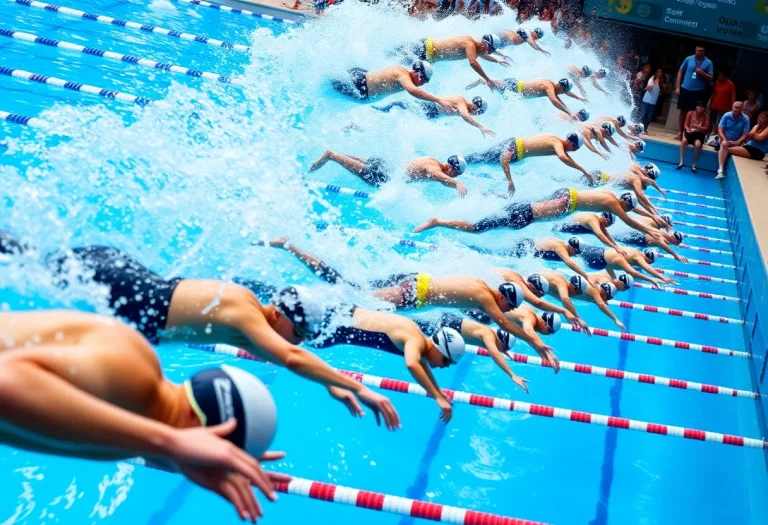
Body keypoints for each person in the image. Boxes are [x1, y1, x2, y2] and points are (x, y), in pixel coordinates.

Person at [0, 232, 401, 430]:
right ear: (281, 315)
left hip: (124, 278)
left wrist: (329, 384)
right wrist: (363, 388)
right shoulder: (246, 311)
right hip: (118, 283)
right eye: (300, 332)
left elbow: (290, 357)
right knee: (24, 262)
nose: (298, 341)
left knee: (28, 261)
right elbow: (292, 356)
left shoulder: (254, 323)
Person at [0, 310, 285, 523]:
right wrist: (170, 442)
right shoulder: (134, 373)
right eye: (216, 456)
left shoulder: (132, 427)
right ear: (199, 427)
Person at [258, 238, 558, 365]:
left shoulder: (482, 284)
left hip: (412, 285)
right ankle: (290, 254)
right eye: (510, 306)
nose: (505, 312)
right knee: (346, 289)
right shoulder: (484, 297)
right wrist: (537, 345)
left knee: (350, 289)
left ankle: (293, 280)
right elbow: (503, 323)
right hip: (409, 293)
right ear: (505, 298)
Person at [414, 189, 663, 239]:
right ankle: (439, 222)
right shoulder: (612, 205)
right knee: (478, 228)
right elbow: (630, 219)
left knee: (484, 224)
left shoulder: (608, 196)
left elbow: (632, 210)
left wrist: (653, 217)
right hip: (524, 214)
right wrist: (651, 228)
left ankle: (489, 195)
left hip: (526, 210)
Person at [413, 312, 532, 391]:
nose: (504, 351)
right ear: (501, 342)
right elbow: (495, 354)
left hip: (449, 323)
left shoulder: (489, 334)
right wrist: (512, 375)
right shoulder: (488, 335)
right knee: (414, 325)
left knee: (416, 323)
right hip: (446, 325)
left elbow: (496, 349)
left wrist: (502, 350)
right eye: (505, 348)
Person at [462, 133, 590, 195]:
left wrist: (583, 170)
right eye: (574, 148)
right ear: (570, 142)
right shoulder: (557, 144)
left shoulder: (554, 138)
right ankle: (458, 161)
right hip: (514, 149)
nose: (573, 151)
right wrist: (510, 181)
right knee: (482, 158)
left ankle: (461, 161)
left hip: (514, 145)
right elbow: (562, 157)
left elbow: (566, 157)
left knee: (482, 158)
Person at [471, 236, 601, 289]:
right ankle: (474, 250)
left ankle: (477, 249)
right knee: (495, 254)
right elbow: (569, 263)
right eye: (576, 252)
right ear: (572, 248)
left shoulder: (562, 244)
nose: (575, 255)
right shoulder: (561, 248)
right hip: (524, 249)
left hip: (527, 247)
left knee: (497, 253)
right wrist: (586, 276)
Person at [331, 61, 457, 113]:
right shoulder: (402, 75)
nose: (423, 84)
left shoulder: (402, 72)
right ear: (419, 74)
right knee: (328, 83)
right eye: (424, 81)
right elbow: (413, 91)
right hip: (359, 85)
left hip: (361, 79)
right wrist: (439, 100)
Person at [396, 34, 508, 91]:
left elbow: (483, 55)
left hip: (426, 53)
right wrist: (487, 79)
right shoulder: (470, 45)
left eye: (491, 51)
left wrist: (497, 60)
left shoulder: (478, 48)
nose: (488, 52)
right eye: (489, 49)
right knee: (396, 57)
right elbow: (473, 62)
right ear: (484, 43)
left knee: (396, 58)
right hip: (424, 50)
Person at [535, 271, 627, 332]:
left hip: (544, 288)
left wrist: (569, 315)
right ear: (604, 293)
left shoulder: (595, 296)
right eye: (608, 298)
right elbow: (602, 305)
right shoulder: (595, 290)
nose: (607, 301)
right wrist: (616, 319)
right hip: (537, 282)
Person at [373, 95, 494, 136]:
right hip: (430, 108)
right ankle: (383, 110)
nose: (476, 114)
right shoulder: (461, 102)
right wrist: (480, 126)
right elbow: (464, 115)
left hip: (432, 113)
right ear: (475, 106)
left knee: (402, 104)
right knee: (400, 103)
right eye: (477, 112)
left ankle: (385, 113)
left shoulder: (465, 106)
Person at [467, 77, 585, 117]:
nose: (563, 94)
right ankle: (480, 80)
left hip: (516, 90)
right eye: (564, 92)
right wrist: (569, 112)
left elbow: (559, 98)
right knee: (489, 83)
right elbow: (554, 100)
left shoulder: (553, 87)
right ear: (562, 88)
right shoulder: (549, 87)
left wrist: (578, 98)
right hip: (513, 87)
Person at [576, 244, 675, 287]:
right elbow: (644, 269)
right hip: (597, 259)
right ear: (649, 260)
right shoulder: (638, 257)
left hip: (599, 252)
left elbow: (610, 262)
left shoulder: (634, 251)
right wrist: (656, 279)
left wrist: (614, 278)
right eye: (649, 262)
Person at [675, 45, 713, 140]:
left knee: (693, 113)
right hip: (685, 88)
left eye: (701, 51)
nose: (699, 52)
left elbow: (711, 77)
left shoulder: (708, 62)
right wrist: (677, 86)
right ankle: (680, 132)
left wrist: (701, 72)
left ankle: (688, 132)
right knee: (683, 111)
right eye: (697, 50)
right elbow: (680, 71)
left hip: (698, 91)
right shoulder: (689, 59)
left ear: (704, 52)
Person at [552, 211, 626, 255]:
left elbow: (607, 237)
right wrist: (615, 247)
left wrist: (618, 248)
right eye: (609, 223)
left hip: (566, 232)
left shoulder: (600, 225)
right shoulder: (593, 220)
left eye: (610, 225)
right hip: (558, 229)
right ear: (603, 218)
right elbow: (600, 235)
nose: (608, 226)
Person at [309, 150, 393, 187]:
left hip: (385, 169)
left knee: (347, 158)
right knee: (332, 155)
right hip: (380, 177)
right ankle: (309, 171)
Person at [716, 101, 752, 179]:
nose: (735, 109)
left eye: (738, 108)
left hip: (737, 141)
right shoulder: (726, 115)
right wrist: (725, 139)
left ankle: (721, 170)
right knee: (724, 144)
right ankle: (721, 169)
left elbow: (745, 134)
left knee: (725, 147)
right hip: (725, 139)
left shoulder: (746, 118)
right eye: (734, 107)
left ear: (742, 109)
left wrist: (737, 142)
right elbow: (720, 129)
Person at [613, 229, 689, 263]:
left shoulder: (667, 235)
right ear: (674, 239)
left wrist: (684, 236)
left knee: (617, 236)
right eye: (678, 241)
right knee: (615, 239)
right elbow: (664, 246)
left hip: (638, 234)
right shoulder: (662, 239)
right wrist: (676, 255)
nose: (679, 243)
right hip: (638, 240)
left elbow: (671, 230)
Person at [676, 100, 710, 173]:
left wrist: (699, 127)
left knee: (698, 145)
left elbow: (706, 128)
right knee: (684, 141)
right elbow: (686, 124)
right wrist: (688, 129)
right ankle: (681, 161)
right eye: (699, 106)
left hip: (699, 134)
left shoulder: (706, 116)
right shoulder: (690, 113)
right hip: (690, 132)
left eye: (702, 107)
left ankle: (694, 164)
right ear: (696, 107)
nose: (701, 108)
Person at [708, 70, 736, 135]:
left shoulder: (731, 84)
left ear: (724, 76)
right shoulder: (717, 82)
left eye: (720, 75)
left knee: (720, 122)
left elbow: (733, 97)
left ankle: (717, 136)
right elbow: (714, 93)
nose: (718, 76)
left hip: (723, 108)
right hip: (714, 105)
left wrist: (732, 108)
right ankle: (712, 134)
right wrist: (709, 102)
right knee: (713, 121)